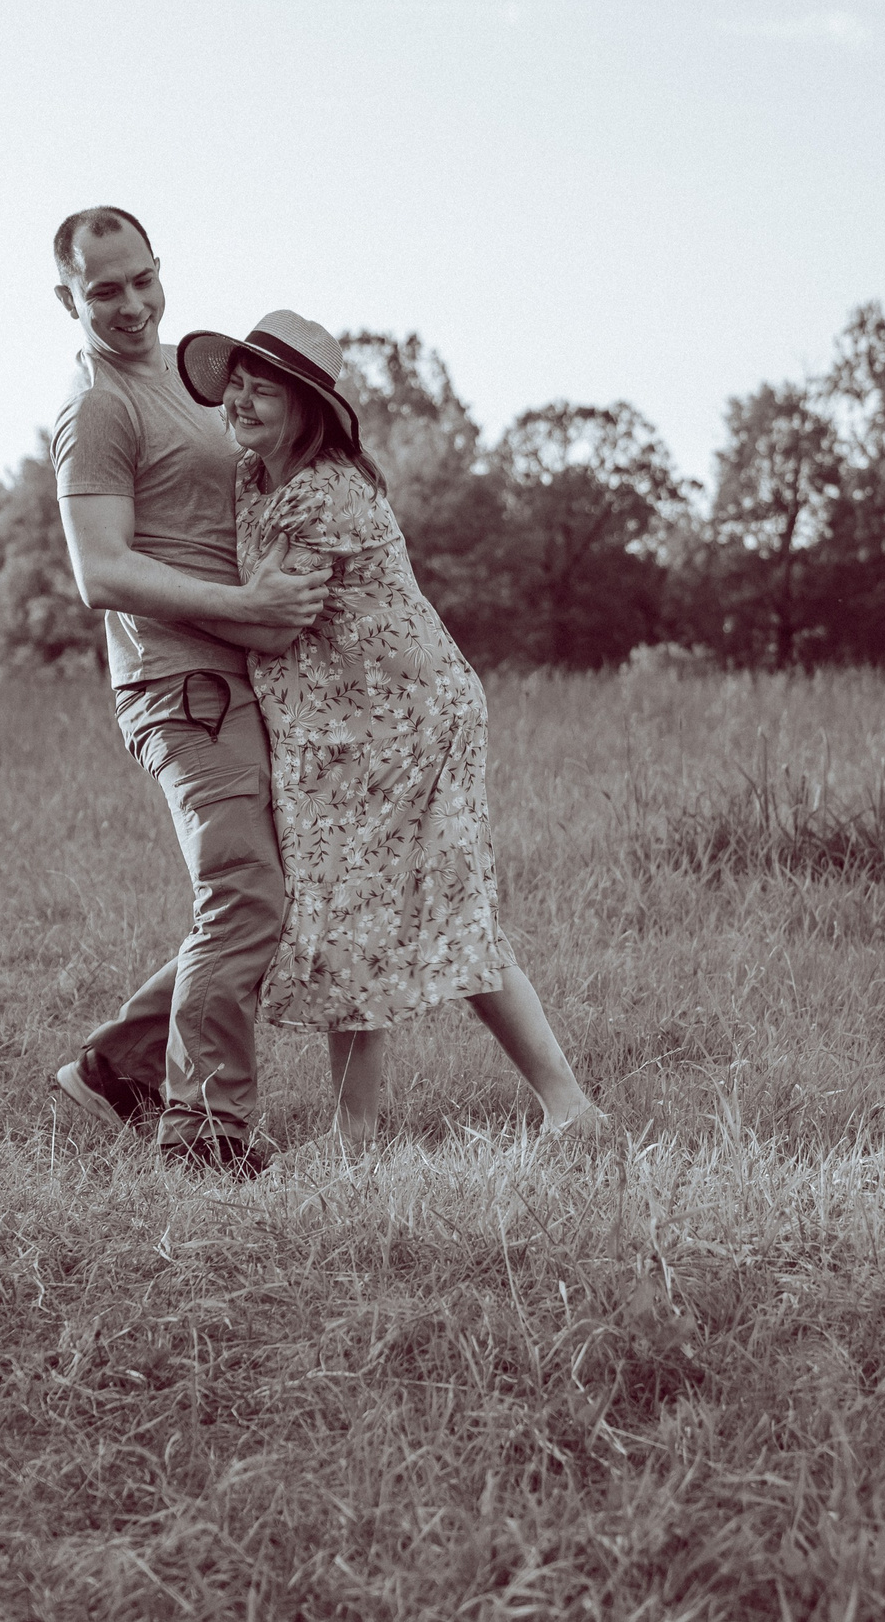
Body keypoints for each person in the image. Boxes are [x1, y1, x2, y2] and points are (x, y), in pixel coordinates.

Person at [173, 310, 608, 1155]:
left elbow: (267, 627)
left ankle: (521, 1115)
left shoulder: (324, 491)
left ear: (308, 407)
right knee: (371, 916)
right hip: (345, 723)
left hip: (402, 722)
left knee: (411, 916)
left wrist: (169, 614)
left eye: (266, 388)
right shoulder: (255, 480)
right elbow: (259, 608)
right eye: (238, 385)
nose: (243, 400)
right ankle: (520, 1114)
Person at [44, 207, 328, 1177]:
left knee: (269, 897)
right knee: (243, 896)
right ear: (67, 300)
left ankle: (117, 1067)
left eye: (141, 280)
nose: (129, 305)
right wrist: (245, 600)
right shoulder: (95, 408)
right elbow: (102, 572)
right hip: (179, 684)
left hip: (242, 669)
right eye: (103, 290)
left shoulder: (188, 380)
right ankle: (205, 1132)